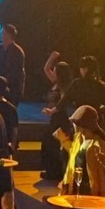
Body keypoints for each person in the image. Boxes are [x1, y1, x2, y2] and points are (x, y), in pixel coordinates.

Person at [49, 55, 105, 131]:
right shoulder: (101, 85)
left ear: (85, 69)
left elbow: (65, 101)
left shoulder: (77, 84)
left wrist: (52, 111)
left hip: (80, 121)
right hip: (96, 121)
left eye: (81, 67)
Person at [0, 75, 19, 209]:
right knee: (8, 182)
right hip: (6, 148)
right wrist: (12, 146)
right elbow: (14, 130)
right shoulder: (11, 108)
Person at [41, 52, 73, 180]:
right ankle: (51, 170)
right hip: (54, 118)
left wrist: (52, 111)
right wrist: (52, 57)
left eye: (55, 70)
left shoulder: (65, 87)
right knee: (49, 143)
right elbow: (46, 69)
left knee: (52, 144)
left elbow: (63, 103)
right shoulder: (55, 82)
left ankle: (56, 172)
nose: (52, 71)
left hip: (60, 118)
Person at [0, 24, 25, 104]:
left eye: (3, 33)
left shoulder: (18, 52)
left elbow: (17, 72)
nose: (0, 35)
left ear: (9, 35)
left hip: (12, 88)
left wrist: (5, 83)